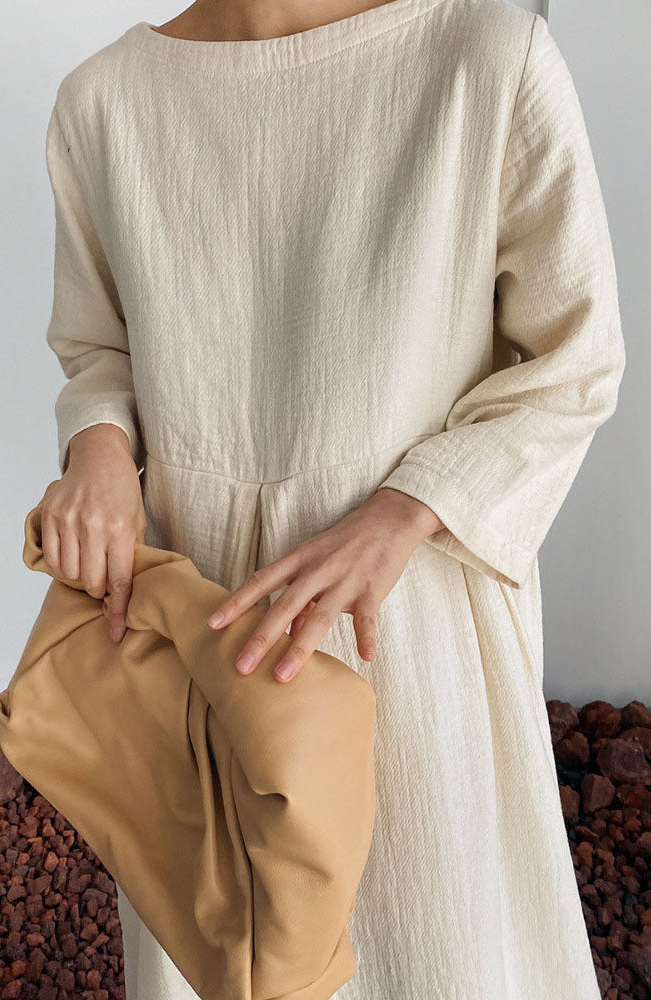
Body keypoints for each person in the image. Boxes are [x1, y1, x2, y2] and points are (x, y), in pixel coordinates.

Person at [38, 0, 626, 997]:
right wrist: (97, 444)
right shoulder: (103, 102)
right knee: (231, 950)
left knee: (447, 947)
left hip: (411, 614)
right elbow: (99, 345)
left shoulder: (483, 56)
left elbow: (574, 363)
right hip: (203, 621)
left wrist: (408, 507)